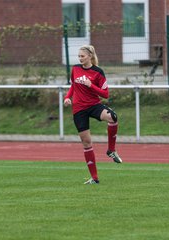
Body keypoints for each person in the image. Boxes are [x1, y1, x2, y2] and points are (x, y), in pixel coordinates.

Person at [64, 45, 122, 185]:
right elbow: (73, 85)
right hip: (79, 109)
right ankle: (95, 178)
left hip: (93, 105)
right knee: (87, 143)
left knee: (112, 117)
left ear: (90, 56)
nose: (80, 58)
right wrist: (67, 97)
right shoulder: (75, 69)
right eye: (79, 56)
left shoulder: (98, 72)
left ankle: (111, 150)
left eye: (82, 56)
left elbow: (105, 94)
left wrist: (91, 85)